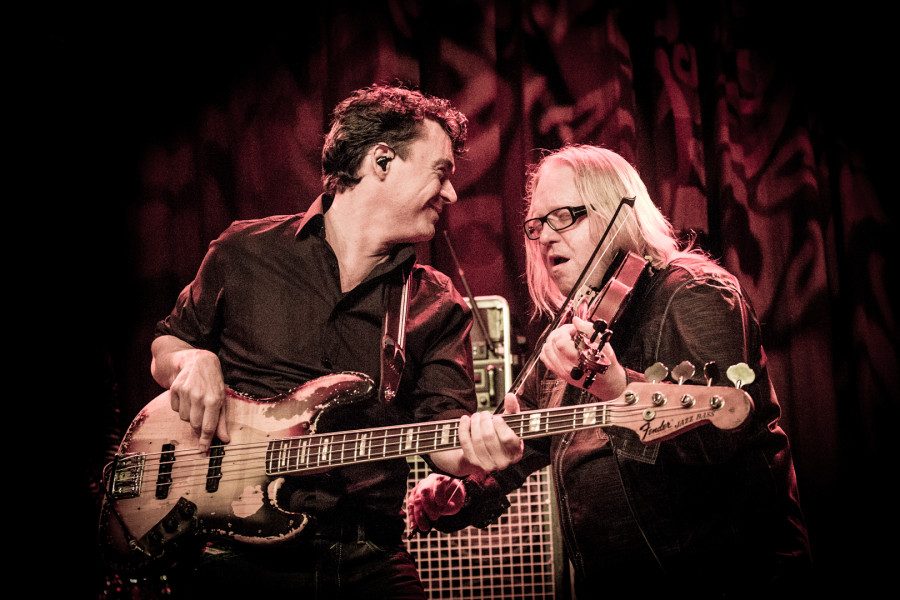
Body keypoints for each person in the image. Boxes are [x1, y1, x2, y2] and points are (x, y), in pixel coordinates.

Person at [149, 84, 522, 598]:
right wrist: (190, 360)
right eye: (441, 172)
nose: (452, 194)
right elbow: (165, 348)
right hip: (231, 553)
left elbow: (445, 439)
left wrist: (482, 448)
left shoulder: (436, 302)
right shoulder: (243, 251)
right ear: (382, 161)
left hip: (365, 553)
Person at [407, 145, 811, 597]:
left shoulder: (694, 292)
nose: (544, 238)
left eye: (563, 217)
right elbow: (521, 439)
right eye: (536, 226)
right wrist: (462, 491)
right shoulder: (577, 326)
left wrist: (619, 388)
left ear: (614, 212)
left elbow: (717, 437)